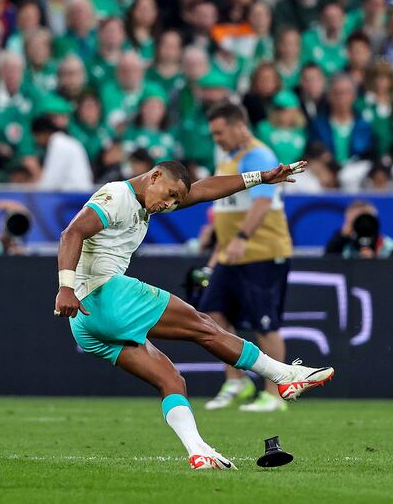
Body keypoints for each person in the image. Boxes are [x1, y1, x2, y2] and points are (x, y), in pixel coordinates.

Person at [54, 158, 333, 470]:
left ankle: (199, 451)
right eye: (170, 194)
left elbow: (203, 190)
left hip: (87, 323)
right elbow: (72, 232)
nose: (170, 203)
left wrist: (260, 178)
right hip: (105, 295)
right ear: (155, 176)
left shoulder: (150, 200)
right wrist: (65, 287)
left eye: (176, 199)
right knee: (204, 326)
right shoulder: (117, 195)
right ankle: (284, 376)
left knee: (171, 379)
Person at [198, 102, 296, 413]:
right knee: (211, 313)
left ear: (239, 126)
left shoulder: (259, 156)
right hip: (230, 254)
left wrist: (242, 237)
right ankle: (237, 380)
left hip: (262, 252)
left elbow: (262, 202)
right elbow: (227, 206)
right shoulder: (227, 157)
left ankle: (275, 392)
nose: (216, 139)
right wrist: (216, 243)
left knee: (265, 324)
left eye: (219, 132)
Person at [324, 200, 393, 258]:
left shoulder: (390, 247)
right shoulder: (342, 244)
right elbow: (327, 264)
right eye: (355, 221)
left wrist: (375, 260)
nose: (362, 225)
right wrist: (342, 236)